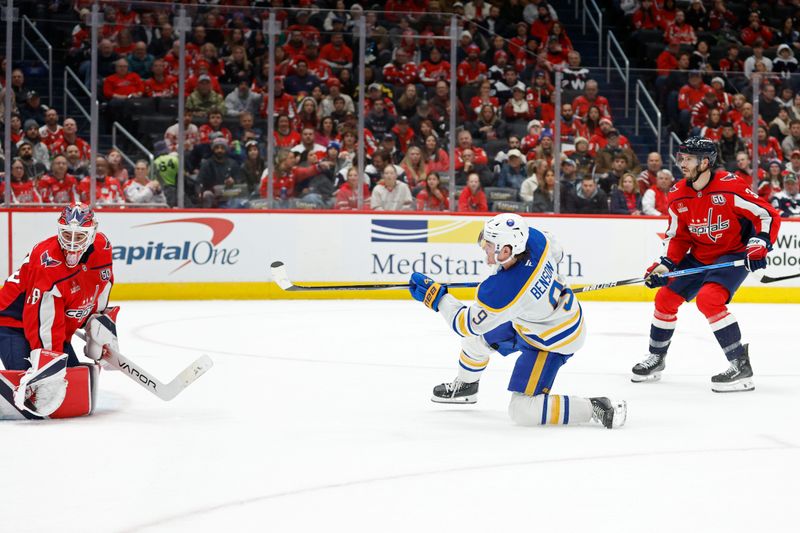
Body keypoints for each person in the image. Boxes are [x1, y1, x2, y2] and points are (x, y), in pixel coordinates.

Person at [407, 213, 626, 428]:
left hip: (553, 341)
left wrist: (437, 298)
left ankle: (594, 406)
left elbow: (466, 325)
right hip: (534, 321)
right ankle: (467, 386)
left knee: (522, 410)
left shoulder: (507, 289)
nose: (484, 246)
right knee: (476, 343)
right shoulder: (535, 239)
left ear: (507, 250)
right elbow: (556, 252)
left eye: (489, 244)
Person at [632, 137, 781, 392]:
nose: (682, 163)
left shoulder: (729, 186)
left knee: (709, 299)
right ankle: (656, 358)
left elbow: (766, 214)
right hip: (699, 256)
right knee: (664, 299)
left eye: (688, 159)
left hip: (731, 255)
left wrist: (759, 244)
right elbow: (678, 237)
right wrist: (665, 266)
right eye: (681, 158)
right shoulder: (678, 193)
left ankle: (739, 365)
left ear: (705, 162)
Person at [0, 203, 114, 418]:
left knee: (71, 378)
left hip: (48, 321)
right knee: (41, 391)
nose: (71, 243)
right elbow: (38, 318)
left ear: (92, 233)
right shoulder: (47, 262)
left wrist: (97, 322)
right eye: (66, 234)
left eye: (79, 236)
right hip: (10, 323)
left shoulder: (103, 247)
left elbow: (102, 283)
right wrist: (47, 362)